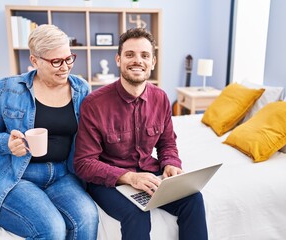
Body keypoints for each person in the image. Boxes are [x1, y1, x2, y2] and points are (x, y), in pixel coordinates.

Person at [74, 28, 208, 240]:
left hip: (149, 173)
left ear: (153, 62)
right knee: (137, 213)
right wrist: (128, 177)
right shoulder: (94, 104)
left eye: (145, 55)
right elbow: (83, 163)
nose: (138, 61)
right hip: (109, 182)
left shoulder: (161, 98)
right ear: (118, 59)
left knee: (193, 198)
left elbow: (167, 144)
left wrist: (171, 164)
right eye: (130, 54)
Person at [0, 24, 98, 240]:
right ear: (35, 61)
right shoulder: (7, 88)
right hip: (18, 175)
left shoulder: (81, 89)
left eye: (69, 58)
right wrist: (7, 143)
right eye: (56, 61)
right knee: (52, 229)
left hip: (63, 175)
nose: (65, 67)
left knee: (88, 218)